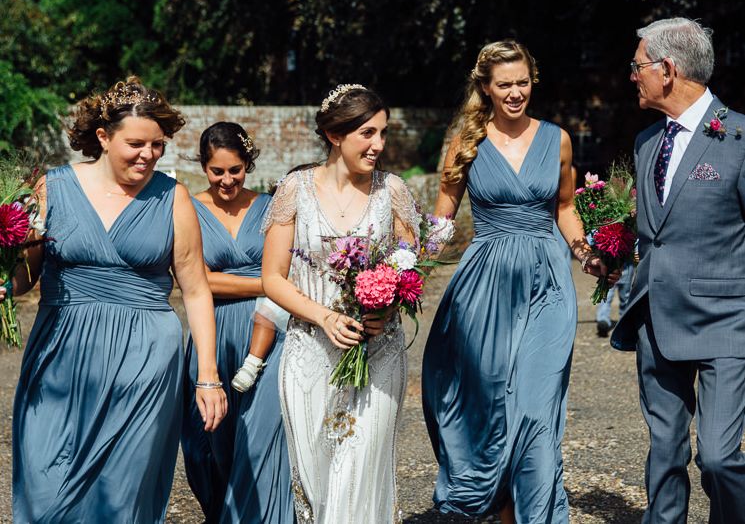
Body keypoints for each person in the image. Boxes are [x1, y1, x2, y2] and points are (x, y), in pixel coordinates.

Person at [9, 77, 227, 523]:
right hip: (61, 358)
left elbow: (196, 288)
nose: (148, 155)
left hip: (145, 360)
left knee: (122, 490)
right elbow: (24, 276)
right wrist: (3, 277)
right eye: (136, 144)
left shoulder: (172, 198)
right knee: (44, 482)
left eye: (158, 146)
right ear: (104, 138)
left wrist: (208, 376)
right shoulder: (50, 188)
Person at [422, 41, 610, 523]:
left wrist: (586, 252)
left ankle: (539, 514)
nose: (515, 93)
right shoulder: (466, 143)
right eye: (504, 84)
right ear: (485, 87)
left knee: (534, 405)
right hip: (485, 287)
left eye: (522, 82)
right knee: (490, 407)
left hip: (548, 281)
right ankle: (504, 509)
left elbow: (565, 208)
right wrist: (403, 267)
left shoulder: (558, 139)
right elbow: (441, 221)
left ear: (533, 80)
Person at [261, 84, 421, 524]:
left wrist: (387, 306)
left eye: (383, 133)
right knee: (316, 479)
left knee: (357, 471)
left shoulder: (394, 192)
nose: (379, 145)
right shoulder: (295, 189)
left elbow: (411, 269)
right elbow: (272, 277)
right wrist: (324, 316)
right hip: (309, 352)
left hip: (378, 352)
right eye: (367, 133)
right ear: (335, 135)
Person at [612, 18, 745, 523]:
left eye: (638, 66)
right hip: (656, 317)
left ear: (667, 69)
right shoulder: (648, 141)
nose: (632, 76)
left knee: (718, 456)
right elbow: (656, 232)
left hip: (726, 322)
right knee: (665, 453)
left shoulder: (739, 137)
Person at [180, 122, 293, 523]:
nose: (227, 180)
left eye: (235, 170)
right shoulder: (188, 208)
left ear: (248, 164)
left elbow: (292, 269)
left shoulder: (270, 207)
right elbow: (195, 280)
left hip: (269, 331)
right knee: (209, 441)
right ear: (203, 168)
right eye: (217, 171)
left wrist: (266, 286)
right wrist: (266, 283)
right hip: (211, 332)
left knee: (263, 437)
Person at [596, 262, 634, 337]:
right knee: (606, 295)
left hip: (627, 267)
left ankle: (624, 321)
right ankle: (603, 320)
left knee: (625, 297)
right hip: (609, 266)